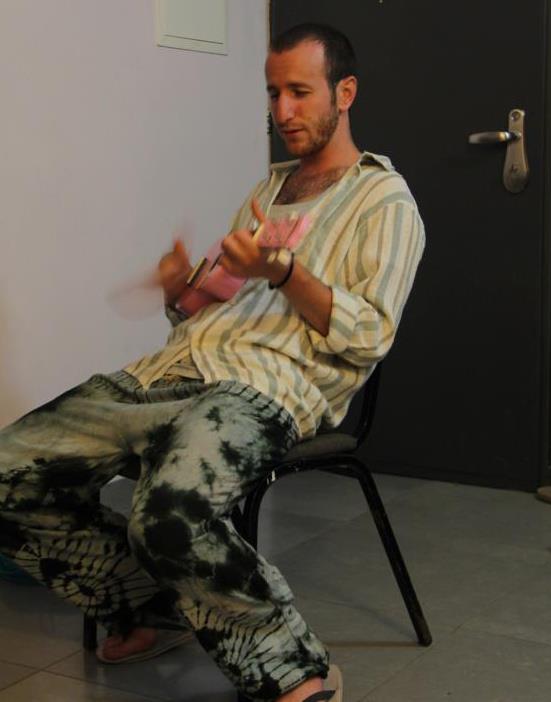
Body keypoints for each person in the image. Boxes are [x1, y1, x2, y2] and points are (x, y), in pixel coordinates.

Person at [0, 23, 425, 702]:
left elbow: (370, 333)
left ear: (344, 92)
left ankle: (295, 669)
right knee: (8, 474)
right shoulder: (269, 191)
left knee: (168, 513)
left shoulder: (385, 201)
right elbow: (219, 301)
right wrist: (183, 292)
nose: (282, 110)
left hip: (263, 389)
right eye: (272, 93)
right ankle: (147, 604)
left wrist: (284, 270)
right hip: (168, 373)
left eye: (299, 92)